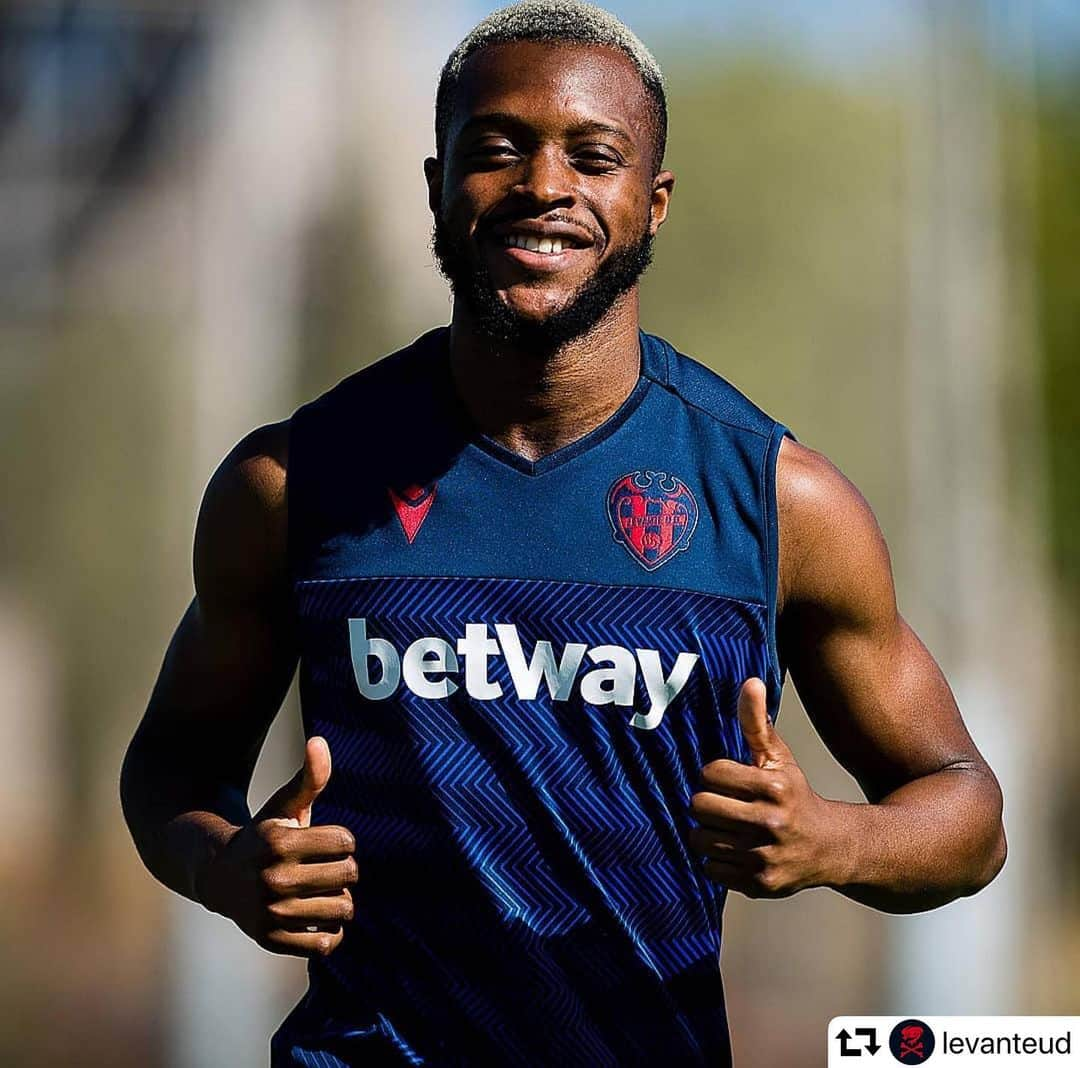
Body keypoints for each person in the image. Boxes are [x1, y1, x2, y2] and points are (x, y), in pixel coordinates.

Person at [120, 2, 1006, 1064]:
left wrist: (831, 840)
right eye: (498, 149)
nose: (545, 187)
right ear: (437, 184)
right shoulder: (295, 482)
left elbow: (968, 816)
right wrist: (225, 869)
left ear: (654, 202)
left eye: (595, 156)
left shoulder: (777, 500)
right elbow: (170, 768)